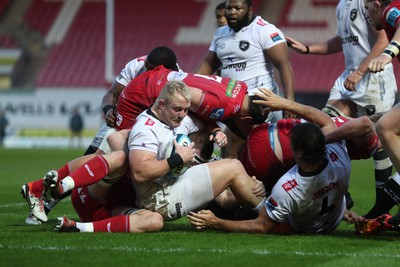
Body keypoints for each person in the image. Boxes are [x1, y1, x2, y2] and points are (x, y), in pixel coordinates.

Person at [55, 81, 265, 232]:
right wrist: (177, 160)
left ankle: (264, 207)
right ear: (161, 104)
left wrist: (215, 133)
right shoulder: (146, 129)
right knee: (233, 167)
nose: (183, 115)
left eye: (185, 110)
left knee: (234, 169)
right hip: (157, 196)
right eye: (178, 109)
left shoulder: (175, 118)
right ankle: (270, 216)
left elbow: (201, 124)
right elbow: (139, 173)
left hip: (173, 181)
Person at [286, 0, 397, 210]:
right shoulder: (342, 5)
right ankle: (340, 193)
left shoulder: (367, 3)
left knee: (380, 142)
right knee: (325, 127)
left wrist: (361, 71)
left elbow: (383, 39)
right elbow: (341, 41)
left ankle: (382, 203)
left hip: (373, 79)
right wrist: (308, 49)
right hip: (348, 79)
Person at [188, 122, 352, 234]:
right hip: (333, 219)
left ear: (298, 152)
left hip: (300, 225)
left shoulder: (286, 188)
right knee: (249, 184)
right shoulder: (341, 158)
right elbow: (336, 123)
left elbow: (261, 226)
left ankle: (196, 169)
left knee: (236, 179)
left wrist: (216, 222)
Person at [196, 0, 295, 159]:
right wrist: (191, 83)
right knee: (245, 151)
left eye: (237, 8)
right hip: (231, 101)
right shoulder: (221, 34)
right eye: (229, 8)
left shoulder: (265, 30)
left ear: (249, 9)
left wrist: (289, 102)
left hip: (259, 100)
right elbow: (208, 64)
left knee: (232, 148)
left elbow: (284, 66)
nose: (232, 12)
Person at [353, 0, 400, 234]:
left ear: (378, 4)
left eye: (368, 7)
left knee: (386, 127)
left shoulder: (392, 10)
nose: (367, 13)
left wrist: (388, 54)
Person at [84, 46, 180, 155]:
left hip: (150, 129)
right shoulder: (136, 66)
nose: (146, 72)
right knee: (89, 159)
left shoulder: (177, 82)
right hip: (119, 121)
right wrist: (109, 110)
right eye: (146, 67)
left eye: (150, 69)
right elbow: (111, 94)